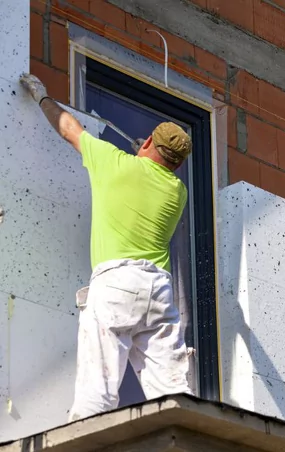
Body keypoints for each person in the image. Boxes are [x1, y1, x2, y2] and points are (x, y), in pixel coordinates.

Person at [19, 73, 193, 421]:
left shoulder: (113, 164)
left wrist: (42, 97)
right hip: (158, 291)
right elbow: (151, 174)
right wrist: (142, 158)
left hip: (117, 285)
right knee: (174, 394)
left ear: (147, 145)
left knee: (96, 394)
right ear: (178, 163)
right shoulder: (179, 192)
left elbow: (69, 128)